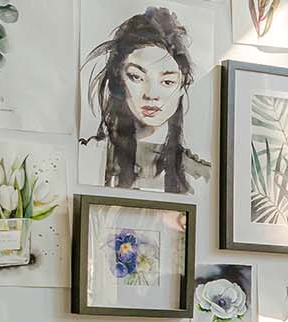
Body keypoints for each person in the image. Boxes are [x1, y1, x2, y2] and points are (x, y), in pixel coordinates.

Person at [79, 8, 210, 194]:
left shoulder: (200, 175)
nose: (151, 94)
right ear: (119, 79)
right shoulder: (89, 157)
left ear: (182, 86)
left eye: (167, 82)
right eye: (136, 77)